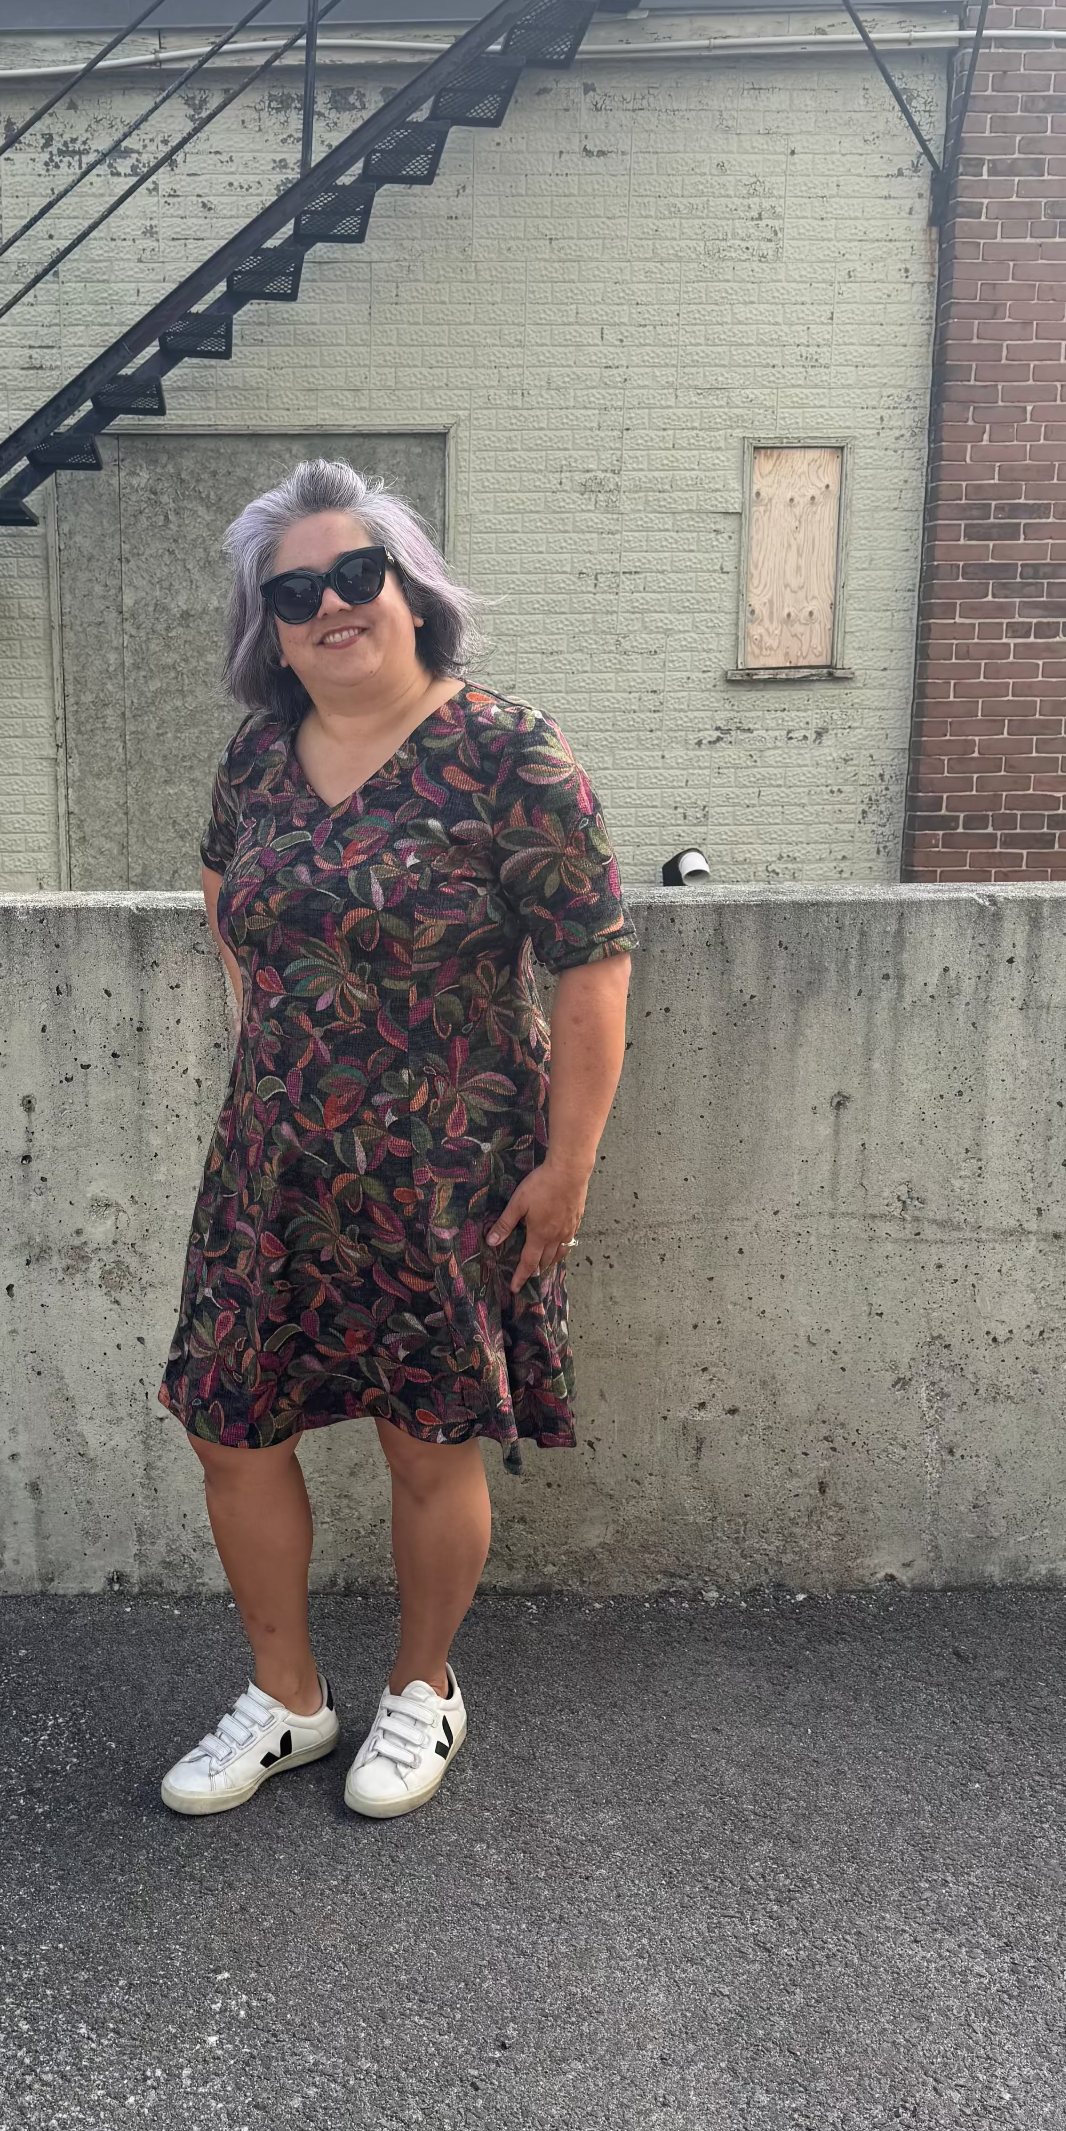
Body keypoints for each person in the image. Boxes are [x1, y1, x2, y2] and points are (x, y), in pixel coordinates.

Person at [156, 458, 635, 1821]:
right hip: (276, 1162)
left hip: (448, 1171)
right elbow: (220, 890)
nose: (328, 605)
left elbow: (591, 966)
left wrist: (567, 1163)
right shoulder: (256, 756)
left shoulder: (511, 756)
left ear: (411, 589)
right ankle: (290, 1699)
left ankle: (423, 1689)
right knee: (230, 1426)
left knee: (428, 1440)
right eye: (292, 591)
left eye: (353, 574)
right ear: (272, 625)